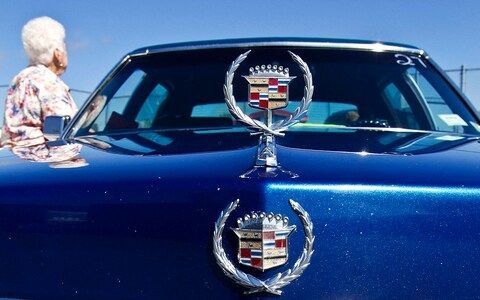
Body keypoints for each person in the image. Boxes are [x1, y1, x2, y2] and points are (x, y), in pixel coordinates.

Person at [1, 16, 77, 147]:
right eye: (64, 46)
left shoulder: (18, 79)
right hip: (43, 158)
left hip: (13, 157)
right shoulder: (49, 83)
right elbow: (68, 132)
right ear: (57, 54)